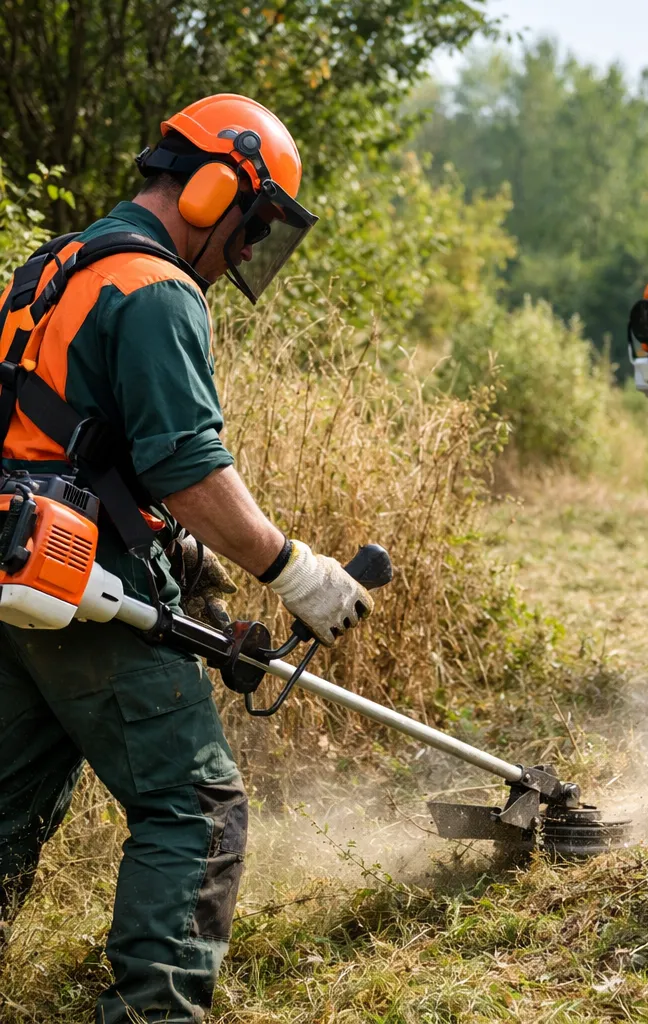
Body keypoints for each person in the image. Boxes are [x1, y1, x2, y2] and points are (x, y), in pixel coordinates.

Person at [0, 94, 374, 1023]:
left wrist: (182, 550)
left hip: (16, 568)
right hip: (79, 582)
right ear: (214, 190)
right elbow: (189, 465)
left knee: (3, 807)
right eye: (251, 228)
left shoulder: (54, 267)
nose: (247, 251)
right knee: (194, 808)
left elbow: (67, 442)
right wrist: (295, 570)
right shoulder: (155, 289)